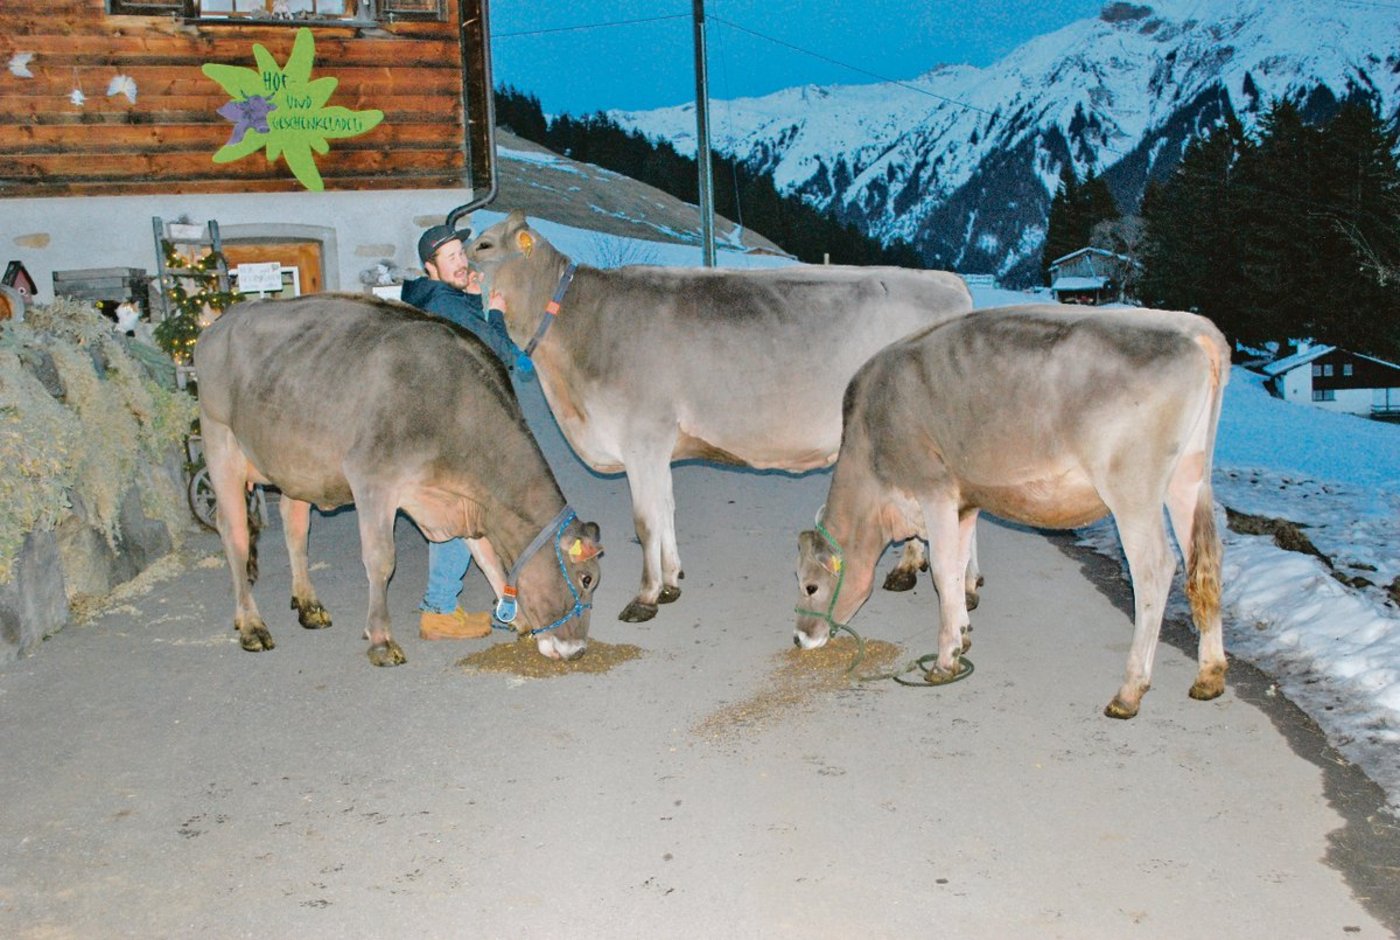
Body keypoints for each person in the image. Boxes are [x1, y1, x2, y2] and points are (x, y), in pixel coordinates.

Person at [400, 223, 519, 640]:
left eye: (462, 254)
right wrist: (497, 311)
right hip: (445, 428)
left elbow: (464, 340)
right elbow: (497, 353)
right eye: (451, 258)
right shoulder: (442, 301)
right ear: (430, 267)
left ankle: (442, 606)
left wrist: (470, 295)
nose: (462, 262)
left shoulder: (438, 296)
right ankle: (448, 608)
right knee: (461, 517)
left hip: (444, 422)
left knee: (453, 518)